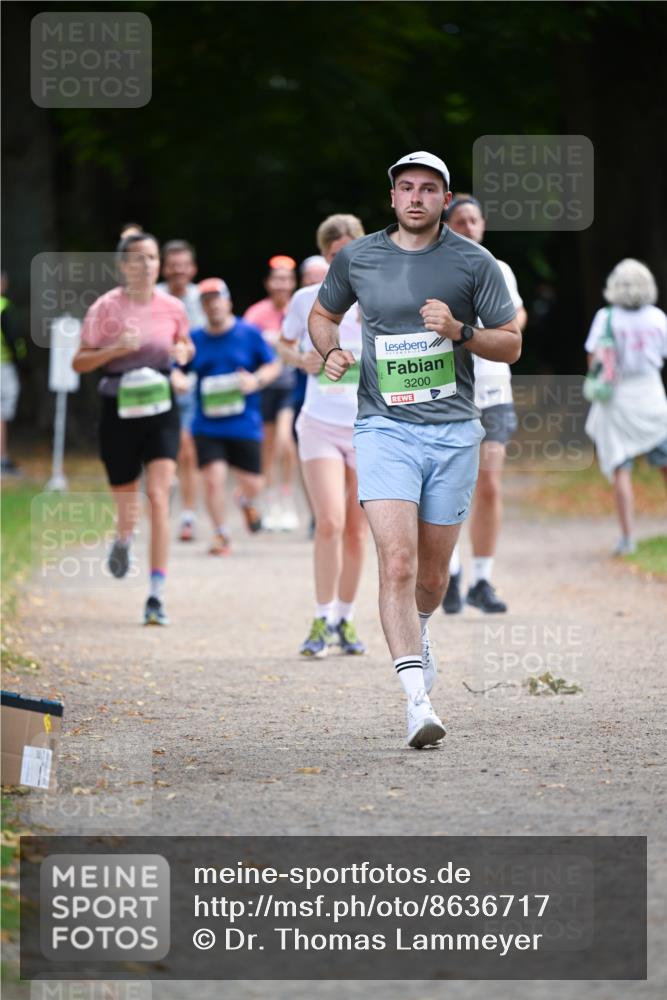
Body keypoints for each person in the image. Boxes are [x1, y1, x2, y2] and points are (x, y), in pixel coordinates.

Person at [309, 151, 521, 748]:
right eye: (407, 188)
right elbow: (324, 315)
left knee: (431, 578)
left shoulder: (474, 262)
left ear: (446, 200)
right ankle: (416, 702)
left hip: (454, 431)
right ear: (393, 197)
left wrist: (460, 332)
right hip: (383, 427)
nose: (417, 198)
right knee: (396, 563)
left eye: (430, 189)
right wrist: (330, 352)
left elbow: (512, 345)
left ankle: (421, 626)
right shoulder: (359, 257)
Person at [72, 232, 194, 626]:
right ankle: (124, 538)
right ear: (124, 265)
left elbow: (185, 345)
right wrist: (114, 350)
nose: (147, 266)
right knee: (127, 501)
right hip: (119, 409)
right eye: (139, 259)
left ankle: (156, 593)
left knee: (159, 496)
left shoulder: (172, 306)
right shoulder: (106, 307)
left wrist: (181, 355)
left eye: (153, 258)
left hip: (161, 407)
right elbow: (80, 362)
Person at [279, 215, 368, 657]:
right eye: (335, 256)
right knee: (329, 521)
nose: (343, 262)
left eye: (349, 253)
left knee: (356, 531)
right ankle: (319, 616)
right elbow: (282, 343)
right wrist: (302, 360)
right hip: (318, 424)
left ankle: (345, 620)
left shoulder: (379, 299)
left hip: (368, 428)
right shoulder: (306, 299)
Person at [440, 195, 528, 614]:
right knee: (448, 486)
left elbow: (518, 317)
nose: (470, 226)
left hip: (493, 390)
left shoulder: (501, 270)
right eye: (461, 220)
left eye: (475, 220)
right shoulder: (434, 269)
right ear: (448, 226)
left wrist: (496, 332)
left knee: (489, 485)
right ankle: (451, 572)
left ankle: (483, 578)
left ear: (484, 225)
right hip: (448, 391)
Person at [188, 278, 282, 554]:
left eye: (217, 299)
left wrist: (255, 380)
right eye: (207, 302)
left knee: (254, 483)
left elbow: (273, 366)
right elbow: (178, 367)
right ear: (202, 308)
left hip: (244, 422)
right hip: (207, 423)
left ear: (228, 302)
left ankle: (245, 500)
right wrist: (179, 379)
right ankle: (221, 534)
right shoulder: (195, 339)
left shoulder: (248, 333)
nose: (213, 306)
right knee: (213, 477)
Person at [584, 258, 667, 555]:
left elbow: (593, 360)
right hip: (652, 396)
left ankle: (628, 537)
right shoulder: (658, 318)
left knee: (620, 468)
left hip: (617, 399)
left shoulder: (606, 317)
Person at [157, 240, 207, 543]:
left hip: (192, 385)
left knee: (188, 450)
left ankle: (188, 515)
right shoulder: (155, 296)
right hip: (157, 382)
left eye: (183, 267)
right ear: (165, 268)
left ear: (192, 269)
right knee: (161, 454)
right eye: (173, 267)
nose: (178, 272)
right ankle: (161, 503)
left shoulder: (202, 298)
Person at [244, 256, 299, 531]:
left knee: (285, 441)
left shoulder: (300, 310)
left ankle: (287, 498)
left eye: (286, 280)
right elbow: (243, 350)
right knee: (266, 449)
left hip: (291, 387)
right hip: (264, 389)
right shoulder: (255, 314)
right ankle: (270, 500)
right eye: (276, 279)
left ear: (293, 283)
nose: (281, 285)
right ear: (268, 283)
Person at [0, 272, 27, 476]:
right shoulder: (4, 306)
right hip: (4, 366)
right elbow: (13, 338)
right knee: (2, 413)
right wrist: (21, 364)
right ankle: (2, 457)